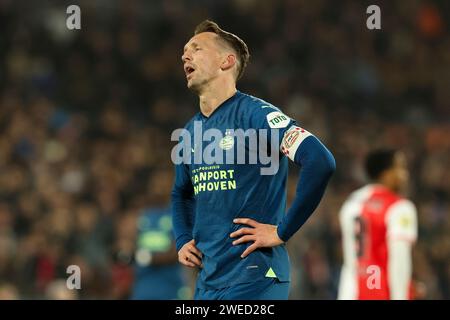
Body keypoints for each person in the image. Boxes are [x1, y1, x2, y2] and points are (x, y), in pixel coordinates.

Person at [171, 20, 335, 300]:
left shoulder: (258, 116)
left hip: (255, 275)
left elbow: (319, 161)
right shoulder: (189, 131)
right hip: (208, 281)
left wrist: (283, 231)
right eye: (185, 50)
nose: (185, 55)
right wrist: (183, 238)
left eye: (196, 48)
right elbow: (181, 192)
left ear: (226, 61)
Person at [338, 149, 418, 300]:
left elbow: (350, 257)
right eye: (400, 168)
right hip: (380, 293)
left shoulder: (351, 203)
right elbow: (399, 259)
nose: (405, 175)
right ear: (386, 173)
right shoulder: (400, 207)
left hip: (350, 292)